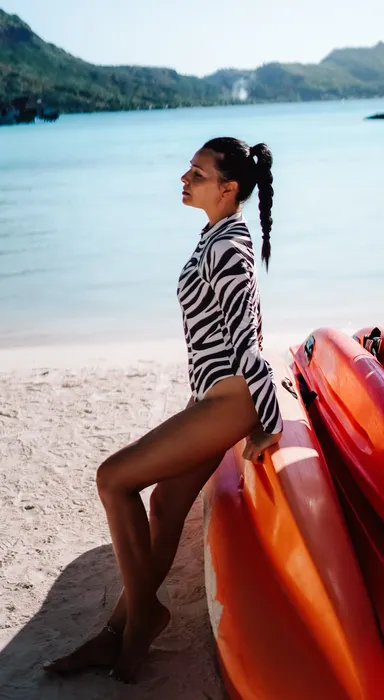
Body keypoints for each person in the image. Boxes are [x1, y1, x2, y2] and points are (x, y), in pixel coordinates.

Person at [44, 137, 283, 683]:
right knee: (166, 505)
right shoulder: (215, 237)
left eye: (197, 174)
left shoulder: (229, 247)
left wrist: (268, 421)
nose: (184, 179)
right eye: (188, 170)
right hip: (210, 398)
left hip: (231, 400)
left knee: (113, 479)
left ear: (227, 188)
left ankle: (142, 618)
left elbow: (248, 335)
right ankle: (115, 634)